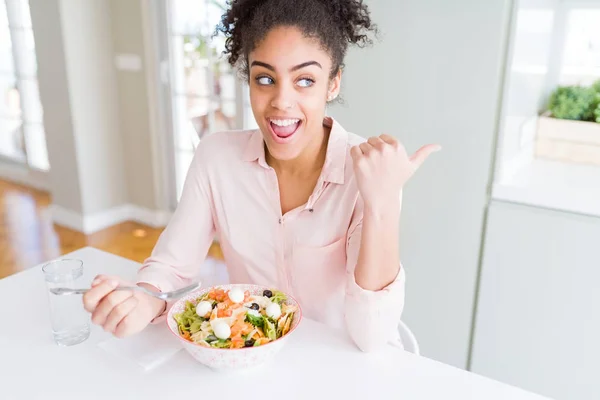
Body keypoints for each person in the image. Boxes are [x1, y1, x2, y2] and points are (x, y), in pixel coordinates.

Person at [82, 0, 440, 352]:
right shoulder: (216, 159)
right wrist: (144, 299)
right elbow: (171, 268)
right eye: (265, 78)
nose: (281, 101)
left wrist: (383, 203)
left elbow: (372, 336)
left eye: (305, 80)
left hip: (345, 368)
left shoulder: (369, 173)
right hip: (257, 364)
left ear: (333, 83)